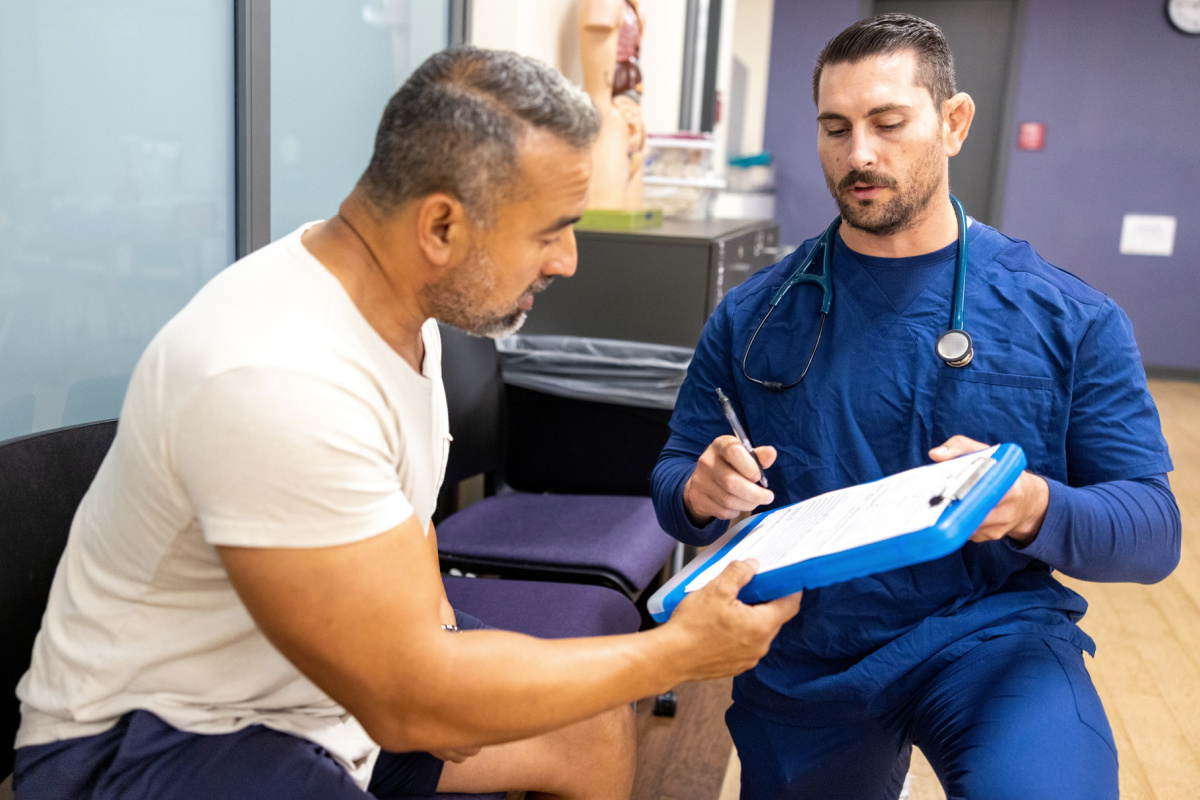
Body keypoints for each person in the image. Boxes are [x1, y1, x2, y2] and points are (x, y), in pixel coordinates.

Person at [13, 46, 801, 800]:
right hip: (156, 739)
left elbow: (408, 516)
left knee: (586, 724)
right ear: (441, 229)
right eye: (550, 229)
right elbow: (408, 706)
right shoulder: (272, 373)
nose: (567, 260)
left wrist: (443, 652)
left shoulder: (401, 302)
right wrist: (677, 654)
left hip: (310, 691)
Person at [651, 14, 1180, 800]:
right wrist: (701, 490)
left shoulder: (1070, 318)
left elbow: (1151, 531)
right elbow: (674, 482)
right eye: (836, 128)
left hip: (991, 634)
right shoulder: (756, 314)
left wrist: (1032, 506)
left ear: (954, 122)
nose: (858, 153)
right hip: (812, 647)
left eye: (888, 123)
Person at [578, 0, 647, 210]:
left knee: (630, 209)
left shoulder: (632, 10)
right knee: (608, 210)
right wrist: (604, 110)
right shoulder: (604, 5)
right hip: (611, 108)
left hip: (629, 102)